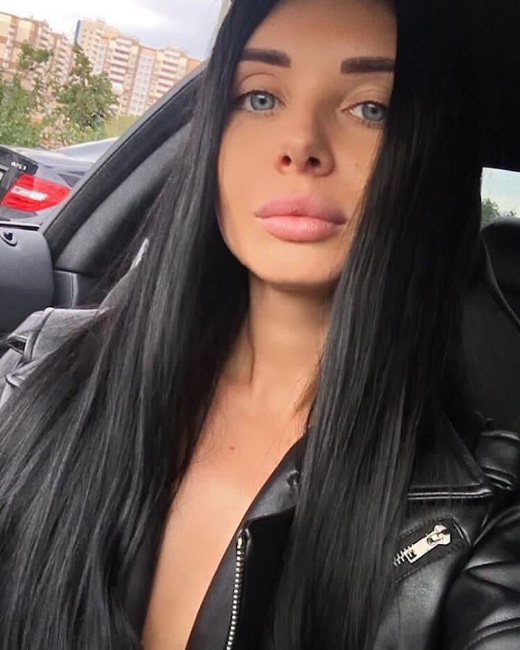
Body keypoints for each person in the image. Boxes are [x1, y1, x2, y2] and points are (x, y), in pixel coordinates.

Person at [0, 0, 519, 648]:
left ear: (430, 161)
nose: (301, 144)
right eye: (261, 98)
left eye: (370, 108)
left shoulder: (477, 519)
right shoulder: (35, 371)